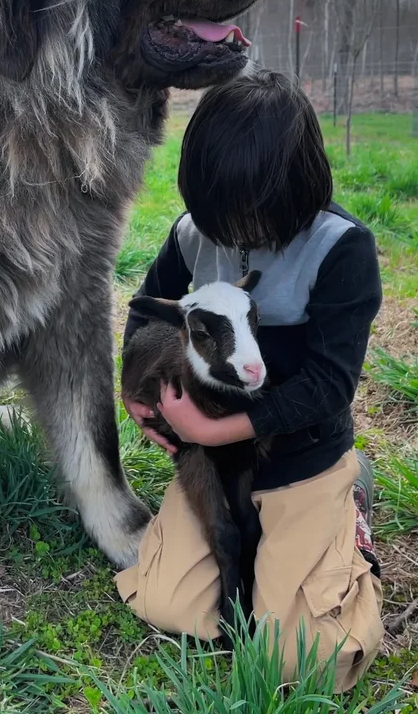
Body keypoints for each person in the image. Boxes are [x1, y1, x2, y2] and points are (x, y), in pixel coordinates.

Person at [117, 69, 384, 692]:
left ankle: (350, 507)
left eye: (250, 211)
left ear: (297, 185)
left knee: (302, 659)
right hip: (211, 462)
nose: (232, 229)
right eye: (217, 209)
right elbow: (142, 312)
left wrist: (210, 427)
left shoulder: (341, 249)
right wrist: (136, 395)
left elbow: (328, 385)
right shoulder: (192, 232)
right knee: (169, 605)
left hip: (300, 454)